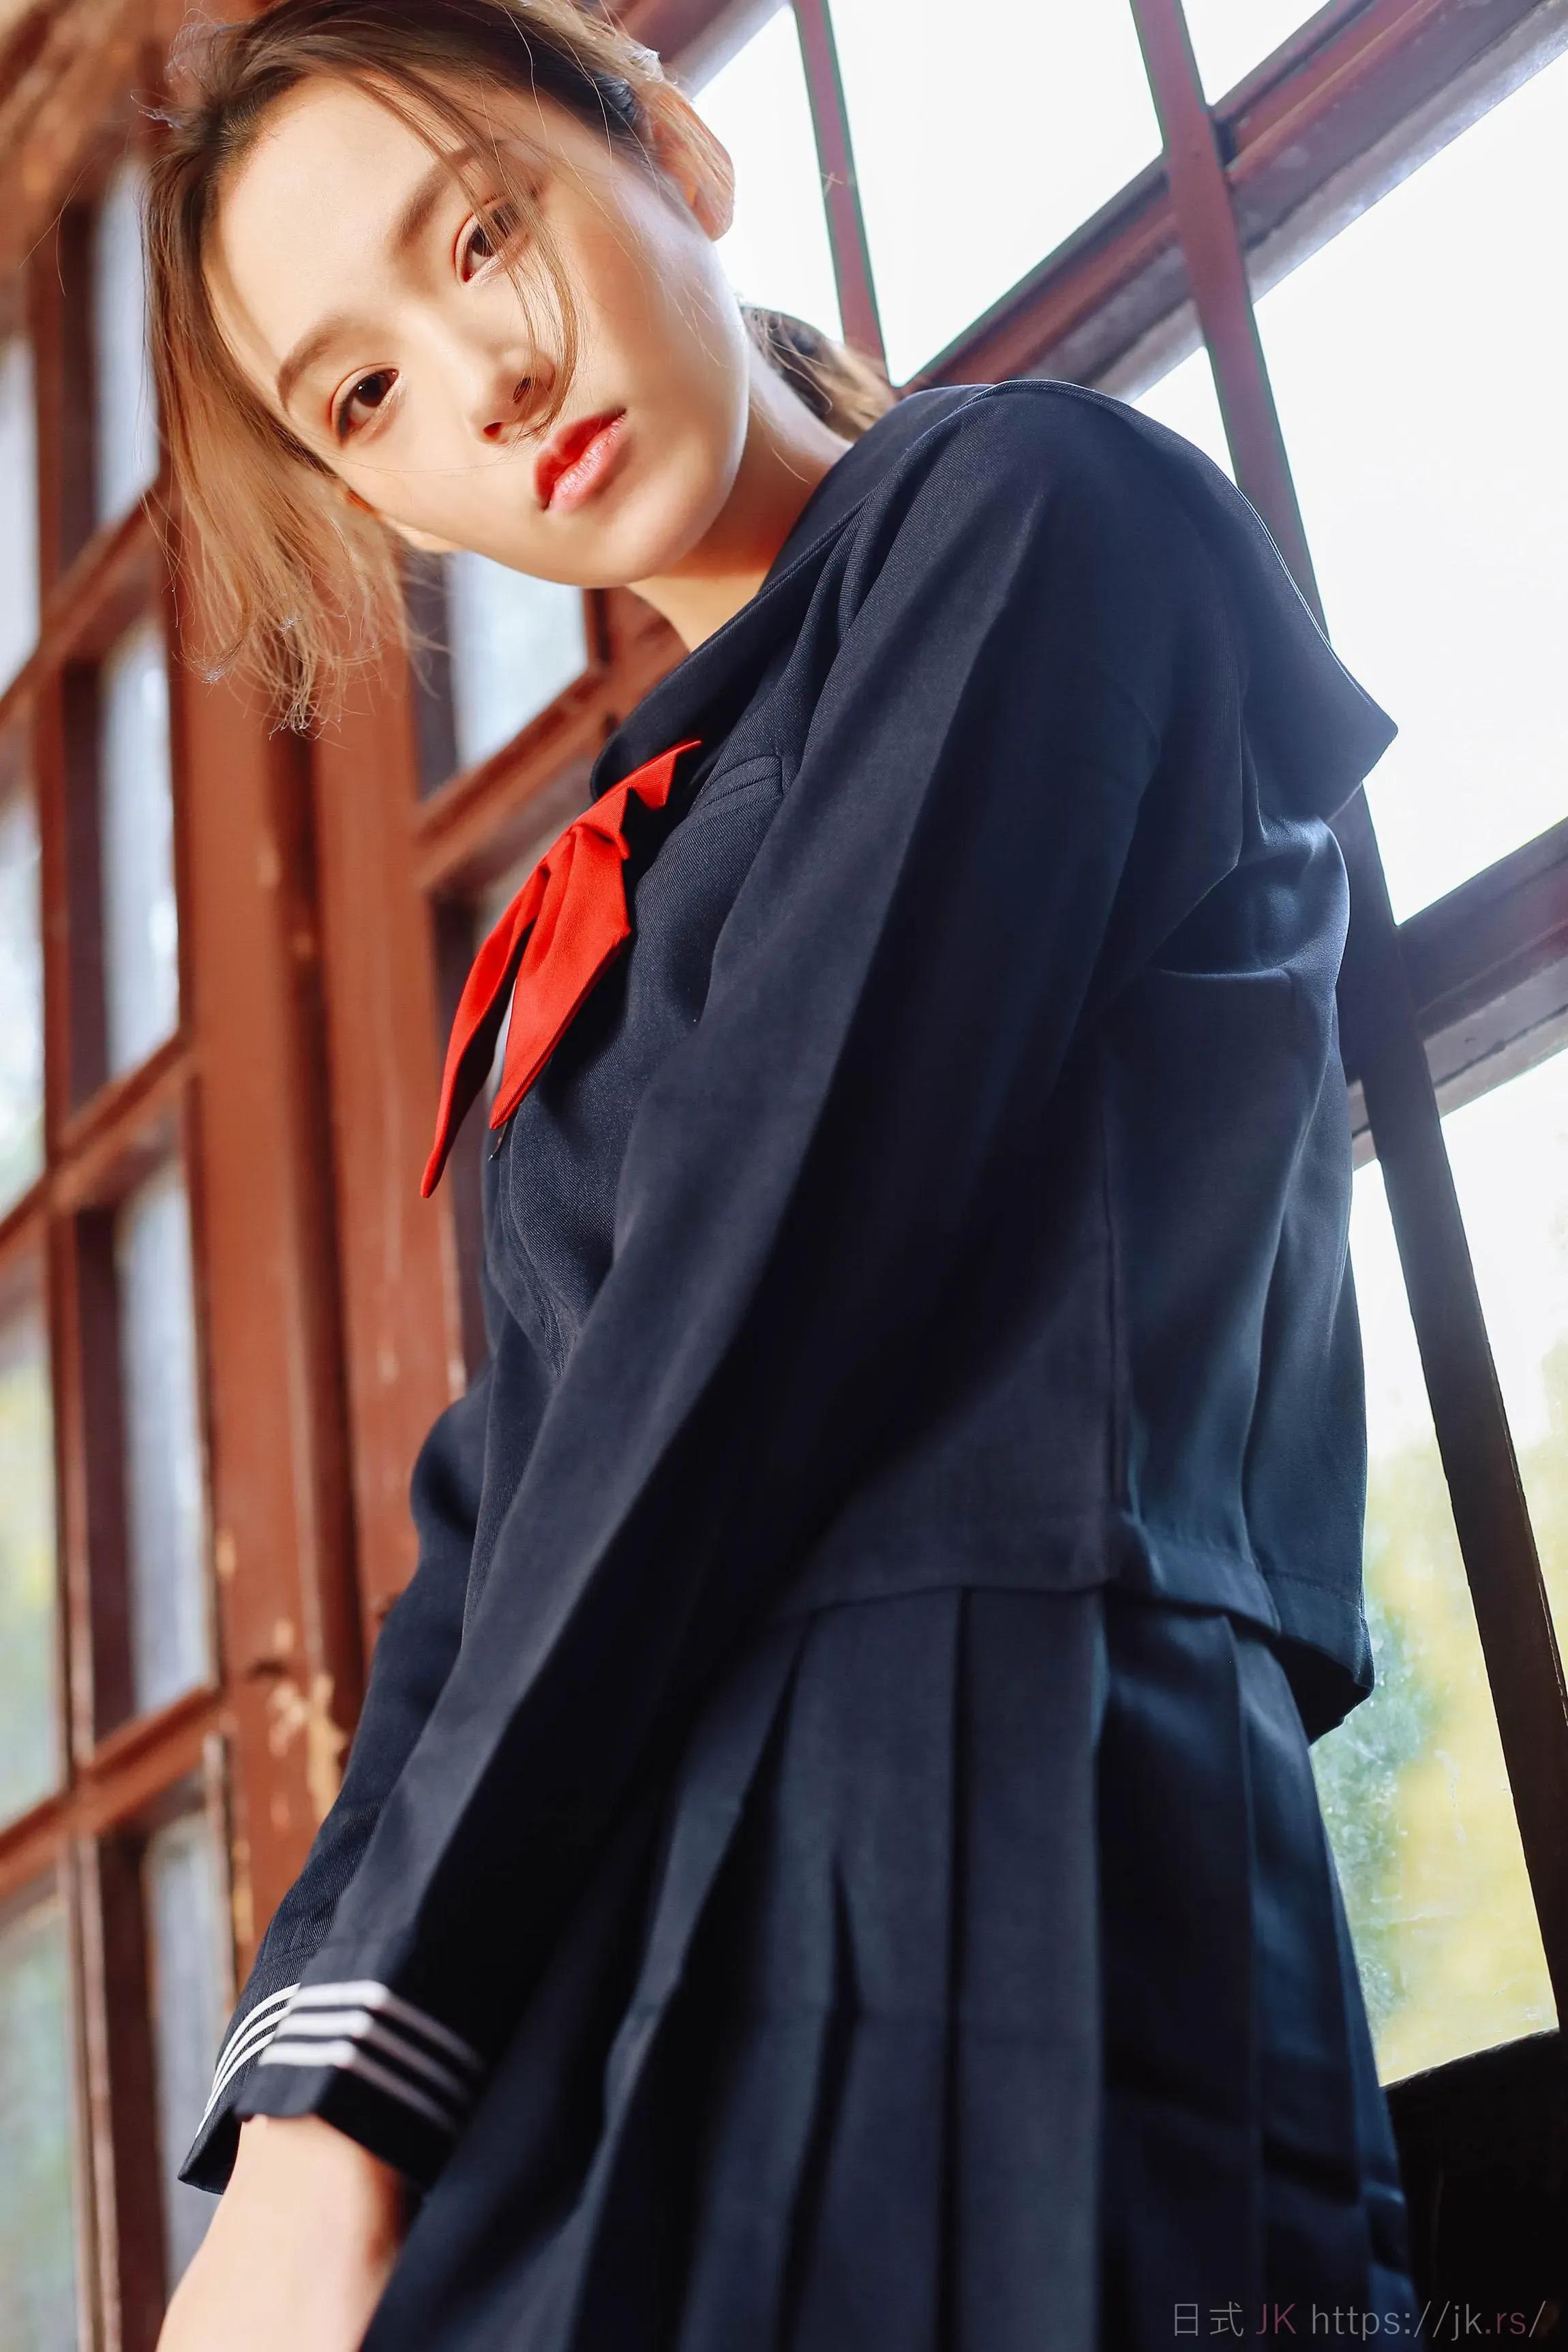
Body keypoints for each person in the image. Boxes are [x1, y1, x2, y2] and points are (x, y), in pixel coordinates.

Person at [145, 2, 1419, 2345]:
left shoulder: (1029, 518)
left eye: (484, 232)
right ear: (372, 499)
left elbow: (745, 1286)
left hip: (1006, 1826)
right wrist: (294, 2106)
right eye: (364, 394)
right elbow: (496, 1528)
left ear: (671, 150)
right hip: (618, 1947)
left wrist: (359, 2098)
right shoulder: (602, 883)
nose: (486, 380)